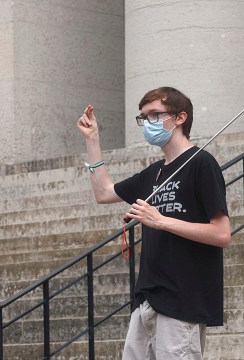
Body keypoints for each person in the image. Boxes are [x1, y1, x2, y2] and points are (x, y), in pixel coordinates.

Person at [76, 87, 231, 360]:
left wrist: (161, 221)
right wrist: (93, 139)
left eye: (155, 115)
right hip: (147, 298)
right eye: (144, 117)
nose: (148, 123)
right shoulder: (154, 172)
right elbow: (104, 193)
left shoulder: (201, 163)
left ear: (180, 117)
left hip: (183, 300)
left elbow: (221, 234)